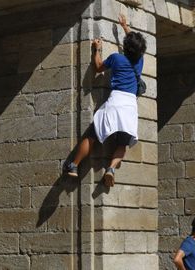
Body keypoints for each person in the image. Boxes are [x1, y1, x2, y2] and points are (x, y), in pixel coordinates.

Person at [65, 14, 146, 187]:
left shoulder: (117, 59)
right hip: (130, 106)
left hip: (115, 101)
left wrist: (96, 49)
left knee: (93, 135)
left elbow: (98, 66)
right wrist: (125, 27)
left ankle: (74, 165)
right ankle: (110, 168)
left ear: (125, 46)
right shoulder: (139, 61)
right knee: (122, 144)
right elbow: (135, 45)